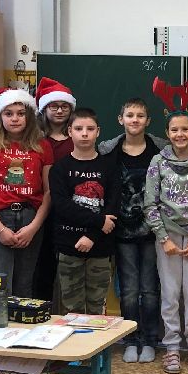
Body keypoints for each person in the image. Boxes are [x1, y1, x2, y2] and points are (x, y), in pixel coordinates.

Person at [144, 108, 188, 374]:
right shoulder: (158, 162)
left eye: (185, 129)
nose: (180, 134)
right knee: (170, 293)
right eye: (174, 130)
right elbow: (150, 203)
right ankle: (172, 347)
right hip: (168, 237)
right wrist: (163, 238)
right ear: (167, 133)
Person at [99, 97, 168, 364]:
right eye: (130, 115)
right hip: (122, 232)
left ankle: (149, 339)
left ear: (148, 121)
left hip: (153, 231)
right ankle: (130, 339)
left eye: (140, 116)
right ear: (121, 119)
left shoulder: (160, 151)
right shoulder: (109, 151)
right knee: (128, 289)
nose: (135, 120)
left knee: (149, 289)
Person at [0, 87, 52, 298]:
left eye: (20, 113)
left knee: (24, 286)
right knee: (0, 286)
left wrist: (33, 228)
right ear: (0, 116)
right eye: (8, 113)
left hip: (30, 218)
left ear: (29, 116)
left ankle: (20, 322)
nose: (15, 119)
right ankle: (0, 322)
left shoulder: (42, 145)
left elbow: (48, 192)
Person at [49, 108, 119, 316]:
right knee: (72, 309)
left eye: (90, 129)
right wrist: (98, 221)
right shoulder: (60, 168)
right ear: (70, 131)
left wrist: (92, 236)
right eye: (79, 129)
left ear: (98, 131)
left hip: (100, 246)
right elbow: (62, 206)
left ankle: (99, 341)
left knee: (97, 308)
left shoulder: (110, 167)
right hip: (69, 246)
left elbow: (112, 207)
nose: (85, 133)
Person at [33, 77, 77, 303]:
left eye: (64, 106)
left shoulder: (78, 137)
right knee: (42, 267)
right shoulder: (35, 139)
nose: (59, 111)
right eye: (54, 106)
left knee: (69, 270)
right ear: (44, 109)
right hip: (41, 209)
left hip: (69, 210)